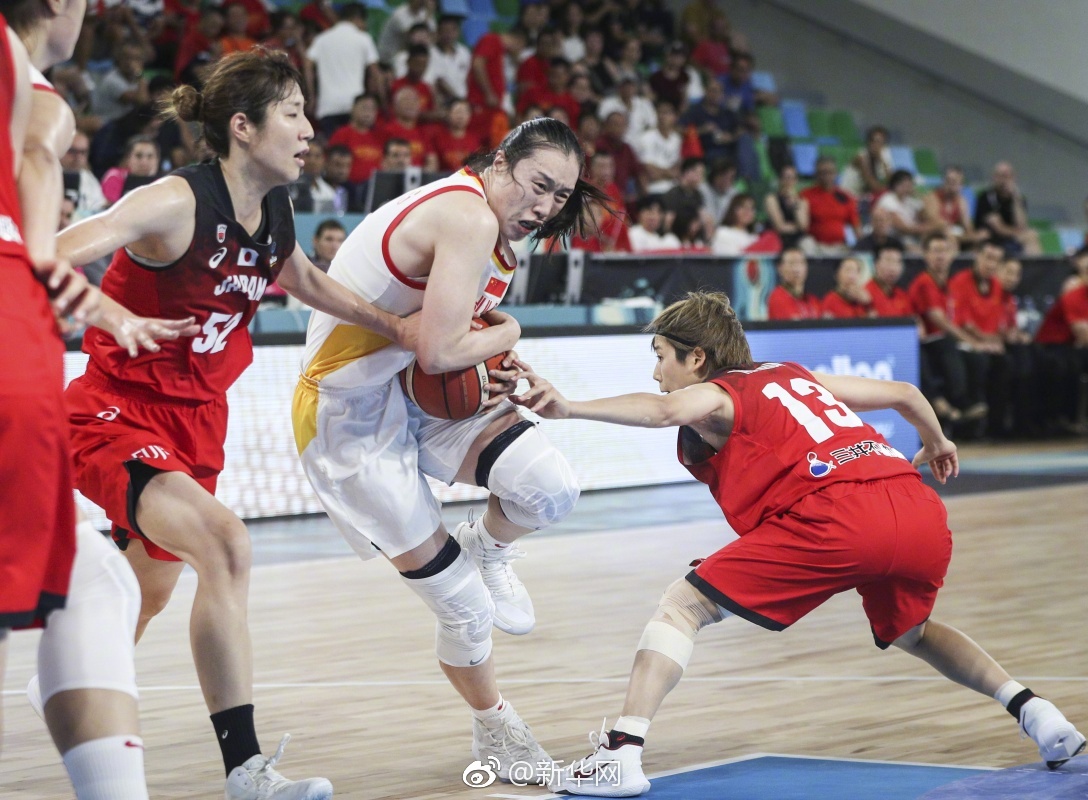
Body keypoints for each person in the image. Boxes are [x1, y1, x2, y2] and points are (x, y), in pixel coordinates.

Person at [510, 291, 1087, 797]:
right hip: (915, 507)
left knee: (683, 605)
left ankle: (620, 754)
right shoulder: (794, 374)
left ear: (698, 358)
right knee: (913, 629)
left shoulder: (718, 394)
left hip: (837, 514)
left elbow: (664, 411)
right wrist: (937, 443)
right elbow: (906, 394)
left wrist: (567, 407)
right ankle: (1037, 713)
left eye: (661, 357)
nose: (658, 372)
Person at [56, 49, 418, 799]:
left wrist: (398, 327)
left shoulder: (275, 211)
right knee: (226, 543)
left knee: (147, 592)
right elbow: (54, 253)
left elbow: (307, 282)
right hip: (115, 408)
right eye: (293, 112)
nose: (309, 129)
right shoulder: (174, 203)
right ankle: (247, 772)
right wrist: (110, 312)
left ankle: (69, 686)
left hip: (196, 422)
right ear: (244, 126)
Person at [291, 117, 609, 783]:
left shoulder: (492, 228)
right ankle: (497, 730)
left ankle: (488, 545)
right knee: (466, 611)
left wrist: (493, 358)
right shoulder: (466, 217)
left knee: (549, 488)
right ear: (501, 162)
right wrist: (511, 331)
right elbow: (440, 351)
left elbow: (444, 347)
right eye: (538, 186)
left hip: (407, 391)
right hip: (347, 414)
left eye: (560, 196)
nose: (546, 207)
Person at [3, 2, 199, 798]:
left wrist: (107, 310)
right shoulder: (35, 88)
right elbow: (37, 160)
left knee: (94, 578)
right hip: (10, 335)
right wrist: (50, 267)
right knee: (91, 583)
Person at [973, 161, 1041, 256]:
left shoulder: (1018, 199)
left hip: (1011, 239)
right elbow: (999, 228)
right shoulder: (985, 197)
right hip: (991, 239)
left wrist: (1015, 198)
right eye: (999, 176)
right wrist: (1017, 232)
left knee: (1031, 236)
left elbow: (1022, 225)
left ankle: (1035, 269)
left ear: (1013, 178)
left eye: (1006, 176)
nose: (1003, 180)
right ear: (994, 178)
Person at [800, 156, 860, 255]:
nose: (826, 176)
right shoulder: (805, 195)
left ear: (836, 173)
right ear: (816, 174)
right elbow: (802, 225)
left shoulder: (846, 197)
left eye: (830, 172)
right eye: (822, 173)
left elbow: (856, 226)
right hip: (816, 246)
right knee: (805, 244)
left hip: (840, 247)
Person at [923, 165, 984, 251]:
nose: (950, 185)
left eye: (954, 182)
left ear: (961, 185)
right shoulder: (931, 197)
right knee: (949, 237)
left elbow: (968, 226)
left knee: (979, 240)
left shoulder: (961, 201)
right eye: (948, 181)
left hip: (953, 234)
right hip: (932, 235)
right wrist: (961, 235)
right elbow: (937, 223)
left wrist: (975, 236)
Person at [100, 134, 160, 204]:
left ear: (157, 160)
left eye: (150, 156)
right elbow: (110, 208)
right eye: (138, 156)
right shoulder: (115, 176)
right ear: (128, 159)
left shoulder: (163, 182)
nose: (144, 162)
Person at [763, 163, 810, 252]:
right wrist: (797, 227)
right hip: (778, 237)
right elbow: (779, 227)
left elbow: (803, 226)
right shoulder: (771, 199)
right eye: (787, 177)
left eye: (793, 178)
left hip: (797, 239)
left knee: (808, 245)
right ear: (780, 179)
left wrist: (795, 203)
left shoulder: (801, 201)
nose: (789, 181)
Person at [840, 124, 892, 200]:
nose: (876, 145)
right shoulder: (861, 158)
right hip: (849, 196)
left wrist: (882, 160)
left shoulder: (883, 156)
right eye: (874, 141)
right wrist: (887, 191)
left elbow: (891, 180)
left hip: (864, 196)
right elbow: (872, 185)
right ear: (868, 142)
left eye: (881, 142)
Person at [767, 246, 820, 320]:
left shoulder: (813, 301)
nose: (796, 269)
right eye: (791, 263)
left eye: (800, 263)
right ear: (780, 268)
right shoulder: (777, 297)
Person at [865, 242, 912, 317]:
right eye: (888, 261)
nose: (893, 268)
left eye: (897, 262)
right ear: (875, 264)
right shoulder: (865, 294)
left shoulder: (902, 295)